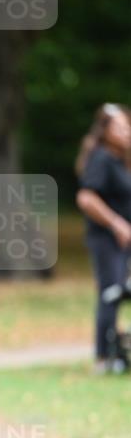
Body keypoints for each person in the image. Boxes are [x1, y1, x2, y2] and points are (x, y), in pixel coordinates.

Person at [75, 103, 131, 373]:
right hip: (107, 240)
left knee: (119, 292)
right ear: (105, 130)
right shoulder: (101, 158)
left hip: (123, 241)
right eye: (120, 126)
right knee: (110, 293)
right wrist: (117, 224)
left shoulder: (120, 160)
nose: (126, 131)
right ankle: (103, 357)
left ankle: (117, 351)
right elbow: (86, 197)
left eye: (127, 126)